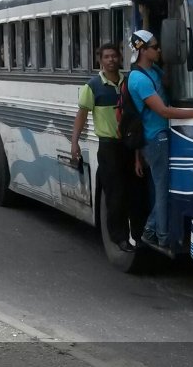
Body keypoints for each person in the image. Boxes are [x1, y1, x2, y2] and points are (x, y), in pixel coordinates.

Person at [127, 30, 193, 251]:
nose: (159, 50)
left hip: (159, 137)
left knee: (162, 188)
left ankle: (154, 231)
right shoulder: (138, 79)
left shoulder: (153, 71)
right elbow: (163, 111)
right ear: (142, 50)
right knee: (163, 190)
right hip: (155, 138)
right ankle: (156, 234)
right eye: (155, 46)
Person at [71, 43, 145, 253]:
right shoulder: (93, 86)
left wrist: (138, 154)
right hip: (109, 147)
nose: (111, 60)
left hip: (129, 145)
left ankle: (138, 235)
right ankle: (119, 237)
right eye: (107, 57)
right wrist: (74, 142)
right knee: (115, 194)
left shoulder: (129, 82)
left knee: (135, 193)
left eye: (114, 56)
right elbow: (82, 116)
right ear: (100, 60)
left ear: (120, 58)